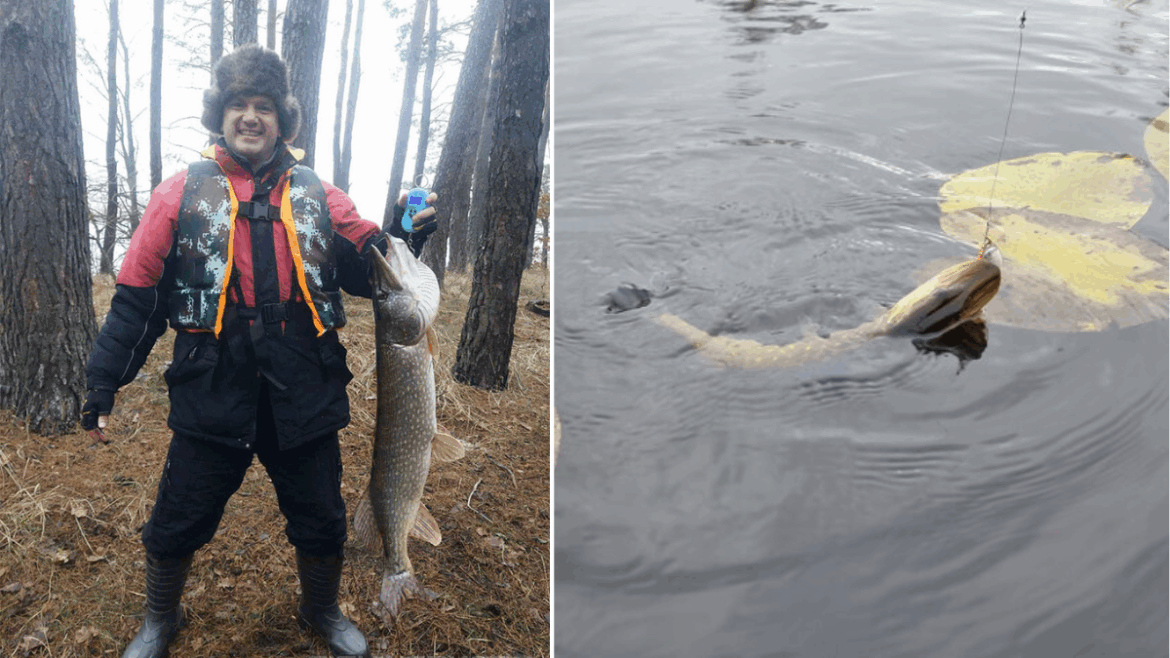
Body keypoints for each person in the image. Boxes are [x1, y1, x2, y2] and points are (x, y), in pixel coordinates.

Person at [80, 44, 436, 658]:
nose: (251, 116)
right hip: (212, 384)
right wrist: (102, 384)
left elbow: (371, 266)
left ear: (282, 119)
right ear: (219, 116)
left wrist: (406, 233)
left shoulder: (321, 195)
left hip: (304, 382)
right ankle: (160, 619)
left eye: (264, 106)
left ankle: (320, 609)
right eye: (239, 104)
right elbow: (136, 302)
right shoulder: (176, 196)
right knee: (178, 517)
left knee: (321, 514)